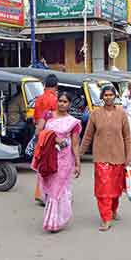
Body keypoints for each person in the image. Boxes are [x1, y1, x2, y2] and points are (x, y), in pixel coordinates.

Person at [80, 86, 131, 232]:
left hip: (118, 157)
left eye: (111, 95)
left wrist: (128, 156)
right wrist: (79, 154)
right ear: (102, 97)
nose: (108, 97)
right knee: (103, 190)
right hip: (101, 157)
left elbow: (127, 137)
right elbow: (88, 136)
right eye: (106, 95)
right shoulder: (95, 114)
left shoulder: (122, 114)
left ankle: (113, 210)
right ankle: (106, 218)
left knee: (116, 189)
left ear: (115, 97)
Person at [33, 92, 81, 232]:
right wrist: (53, 137)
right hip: (49, 156)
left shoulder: (73, 122)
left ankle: (54, 221)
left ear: (69, 104)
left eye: (65, 102)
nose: (62, 104)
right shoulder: (48, 115)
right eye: (60, 101)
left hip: (65, 159)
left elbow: (75, 145)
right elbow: (38, 132)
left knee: (58, 188)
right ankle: (54, 217)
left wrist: (77, 164)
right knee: (49, 187)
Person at [33, 74, 59, 204]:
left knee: (41, 164)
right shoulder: (55, 100)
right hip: (52, 135)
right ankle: (49, 193)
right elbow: (58, 120)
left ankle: (40, 193)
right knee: (52, 165)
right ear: (56, 86)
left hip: (40, 134)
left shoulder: (39, 99)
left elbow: (35, 119)